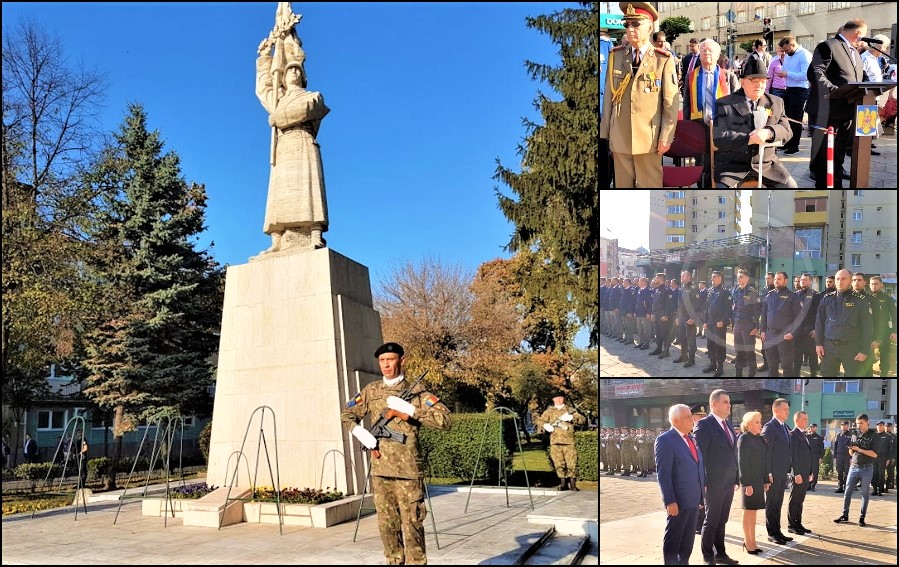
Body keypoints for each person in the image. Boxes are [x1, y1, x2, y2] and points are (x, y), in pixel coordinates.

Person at [341, 342, 452, 565]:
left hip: (409, 470)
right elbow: (347, 414)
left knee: (412, 524)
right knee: (387, 526)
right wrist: (360, 432)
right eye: (382, 361)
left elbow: (445, 421)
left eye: (390, 359)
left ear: (402, 361)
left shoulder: (418, 392)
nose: (386, 365)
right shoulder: (371, 391)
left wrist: (411, 411)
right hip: (381, 470)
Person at [256, 33, 330, 253]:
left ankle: (314, 233)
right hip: (285, 145)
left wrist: (278, 118)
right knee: (280, 195)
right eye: (289, 70)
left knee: (309, 190)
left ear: (303, 75)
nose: (293, 72)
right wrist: (264, 59)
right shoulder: (277, 100)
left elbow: (307, 110)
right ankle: (278, 238)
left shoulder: (314, 96)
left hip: (303, 142)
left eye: (297, 69)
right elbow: (263, 89)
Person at [600, 2, 679, 187]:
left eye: (636, 24)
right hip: (620, 137)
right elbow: (609, 99)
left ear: (650, 26)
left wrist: (666, 137)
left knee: (649, 191)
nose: (630, 29)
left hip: (649, 140)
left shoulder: (663, 60)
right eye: (627, 24)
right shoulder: (616, 56)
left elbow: (670, 104)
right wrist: (607, 133)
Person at [712, 56, 797, 188]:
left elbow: (787, 130)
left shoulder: (776, 102)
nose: (759, 85)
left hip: (767, 166)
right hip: (733, 166)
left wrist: (768, 133)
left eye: (763, 81)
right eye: (753, 80)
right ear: (742, 82)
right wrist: (750, 139)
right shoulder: (724, 104)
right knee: (724, 193)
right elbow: (719, 138)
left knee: (791, 188)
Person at [807, 19, 868, 187]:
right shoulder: (828, 46)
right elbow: (815, 73)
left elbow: (860, 78)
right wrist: (836, 91)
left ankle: (837, 188)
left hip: (846, 111)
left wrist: (873, 87)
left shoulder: (855, 52)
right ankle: (824, 192)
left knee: (838, 156)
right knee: (824, 158)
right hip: (826, 112)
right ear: (858, 33)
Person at [683, 38, 740, 187]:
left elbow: (738, 104)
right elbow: (687, 102)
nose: (707, 53)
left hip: (722, 126)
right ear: (699, 54)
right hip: (699, 124)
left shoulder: (729, 76)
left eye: (711, 51)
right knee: (702, 162)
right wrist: (688, 126)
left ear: (718, 55)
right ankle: (703, 187)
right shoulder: (691, 76)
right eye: (703, 50)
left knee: (720, 160)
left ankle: (719, 185)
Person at [655, 404, 705, 566]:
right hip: (678, 501)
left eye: (691, 416)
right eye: (687, 417)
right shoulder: (665, 440)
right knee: (674, 539)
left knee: (688, 540)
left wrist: (701, 497)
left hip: (693, 499)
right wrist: (670, 501)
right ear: (675, 420)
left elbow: (697, 468)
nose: (692, 420)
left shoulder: (691, 439)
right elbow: (664, 474)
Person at [695, 389, 740, 566]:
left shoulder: (728, 425)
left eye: (729, 402)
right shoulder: (704, 425)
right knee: (711, 520)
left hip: (728, 483)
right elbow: (700, 457)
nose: (729, 405)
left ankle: (720, 553)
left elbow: (732, 453)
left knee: (722, 520)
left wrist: (736, 478)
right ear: (714, 404)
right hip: (713, 483)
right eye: (725, 402)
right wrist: (703, 483)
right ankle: (708, 556)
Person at [815, 269, 874, 377]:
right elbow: (819, 322)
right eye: (837, 279)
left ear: (850, 281)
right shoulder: (826, 299)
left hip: (852, 348)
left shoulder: (860, 300)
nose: (840, 281)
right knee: (827, 375)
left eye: (843, 279)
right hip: (829, 348)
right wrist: (818, 343)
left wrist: (864, 350)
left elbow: (867, 327)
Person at [834, 414, 878, 527]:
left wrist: (860, 449)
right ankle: (845, 515)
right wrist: (852, 449)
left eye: (861, 423)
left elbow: (875, 454)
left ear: (867, 422)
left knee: (864, 493)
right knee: (847, 492)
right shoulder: (855, 434)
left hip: (867, 468)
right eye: (858, 423)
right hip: (854, 467)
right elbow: (851, 453)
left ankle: (862, 517)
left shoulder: (874, 435)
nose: (859, 426)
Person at [536, 394, 586, 491]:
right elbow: (539, 421)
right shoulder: (549, 411)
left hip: (569, 441)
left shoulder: (570, 410)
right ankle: (562, 482)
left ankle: (572, 483)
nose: (558, 399)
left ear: (564, 399)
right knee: (558, 463)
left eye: (560, 397)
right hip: (555, 441)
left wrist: (572, 418)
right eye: (556, 398)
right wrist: (545, 425)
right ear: (553, 399)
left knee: (572, 463)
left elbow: (582, 420)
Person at [762, 398, 793, 545]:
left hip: (782, 473)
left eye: (788, 409)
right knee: (772, 503)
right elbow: (766, 453)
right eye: (785, 409)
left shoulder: (785, 427)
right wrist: (768, 473)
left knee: (778, 503)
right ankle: (771, 533)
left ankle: (778, 531)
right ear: (776, 410)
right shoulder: (770, 427)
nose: (788, 412)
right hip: (773, 474)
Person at [737, 411, 768, 555]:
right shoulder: (744, 438)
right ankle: (747, 541)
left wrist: (766, 480)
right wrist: (746, 484)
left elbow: (764, 461)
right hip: (749, 481)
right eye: (757, 422)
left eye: (760, 422)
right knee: (748, 511)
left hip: (758, 480)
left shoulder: (760, 439)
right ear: (748, 424)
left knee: (754, 511)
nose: (760, 425)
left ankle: (753, 541)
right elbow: (742, 463)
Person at [760, 272, 802, 377]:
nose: (776, 281)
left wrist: (793, 333)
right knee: (772, 364)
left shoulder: (793, 296)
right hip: (770, 335)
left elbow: (799, 317)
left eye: (779, 279)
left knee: (786, 365)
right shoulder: (769, 295)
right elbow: (764, 314)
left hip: (785, 336)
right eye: (775, 279)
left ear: (785, 281)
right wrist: (763, 331)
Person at [777, 36, 812, 156]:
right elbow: (787, 70)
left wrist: (788, 74)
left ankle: (794, 146)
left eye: (786, 50)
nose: (785, 53)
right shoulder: (788, 55)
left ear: (792, 45)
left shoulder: (804, 55)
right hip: (789, 89)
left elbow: (806, 75)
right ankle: (787, 142)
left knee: (796, 119)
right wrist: (783, 73)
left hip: (800, 90)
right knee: (786, 118)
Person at [731, 269, 761, 378]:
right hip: (737, 324)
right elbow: (734, 308)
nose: (738, 278)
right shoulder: (736, 291)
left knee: (749, 351)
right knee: (738, 350)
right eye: (738, 276)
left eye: (741, 277)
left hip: (748, 325)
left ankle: (752, 372)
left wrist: (756, 327)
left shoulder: (752, 292)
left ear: (747, 278)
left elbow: (757, 311)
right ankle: (738, 372)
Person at [787, 411, 813, 536]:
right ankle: (791, 525)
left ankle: (798, 523)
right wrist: (796, 473)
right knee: (794, 499)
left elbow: (808, 455)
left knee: (800, 500)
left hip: (805, 473)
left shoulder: (803, 435)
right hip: (798, 474)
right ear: (796, 420)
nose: (806, 421)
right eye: (804, 419)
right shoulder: (793, 435)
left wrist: (810, 472)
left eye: (807, 419)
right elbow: (793, 456)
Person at [868, 276, 897, 378]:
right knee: (868, 356)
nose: (874, 286)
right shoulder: (866, 298)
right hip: (869, 331)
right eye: (872, 284)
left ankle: (884, 375)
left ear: (881, 285)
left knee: (884, 355)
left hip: (884, 331)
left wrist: (894, 331)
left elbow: (894, 316)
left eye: (876, 284)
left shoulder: (888, 298)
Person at [703, 271, 731, 377]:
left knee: (719, 345)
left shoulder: (725, 292)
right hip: (710, 322)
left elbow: (728, 310)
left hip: (719, 323)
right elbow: (707, 307)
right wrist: (705, 321)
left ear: (720, 278)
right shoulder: (710, 290)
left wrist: (723, 321)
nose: (712, 279)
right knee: (710, 344)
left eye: (714, 277)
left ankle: (720, 367)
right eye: (712, 277)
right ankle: (712, 364)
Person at [793, 274, 822, 377]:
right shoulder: (795, 295)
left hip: (810, 330)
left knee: (812, 355)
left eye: (805, 280)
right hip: (798, 331)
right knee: (797, 355)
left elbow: (819, 314)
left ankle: (813, 374)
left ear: (810, 282)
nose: (802, 281)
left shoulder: (816, 295)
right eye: (801, 280)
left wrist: (816, 330)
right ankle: (796, 374)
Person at [674, 271, 700, 367]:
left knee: (691, 339)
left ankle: (691, 359)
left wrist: (693, 318)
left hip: (689, 318)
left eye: (683, 276)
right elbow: (679, 304)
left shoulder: (693, 288)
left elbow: (697, 305)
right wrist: (677, 317)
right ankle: (683, 355)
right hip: (681, 317)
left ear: (689, 277)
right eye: (681, 276)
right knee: (682, 338)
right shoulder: (682, 288)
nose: (681, 278)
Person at [690, 403, 708, 535]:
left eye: (703, 416)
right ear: (693, 417)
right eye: (699, 416)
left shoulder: (704, 430)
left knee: (703, 498)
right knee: (696, 498)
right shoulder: (690, 432)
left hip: (704, 469)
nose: (702, 418)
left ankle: (701, 523)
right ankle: (696, 524)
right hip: (694, 471)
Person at [650, 273, 676, 359]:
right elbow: (655, 303)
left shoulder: (667, 290)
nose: (654, 279)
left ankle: (666, 351)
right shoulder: (657, 289)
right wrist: (653, 314)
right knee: (658, 333)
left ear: (660, 279)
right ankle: (659, 348)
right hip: (657, 314)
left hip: (663, 315)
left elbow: (669, 304)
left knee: (665, 334)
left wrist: (666, 315)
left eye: (656, 278)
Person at [871, 421, 890, 496]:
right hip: (873, 458)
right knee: (874, 473)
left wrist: (888, 459)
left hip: (883, 458)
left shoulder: (887, 436)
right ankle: (874, 489)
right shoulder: (874, 435)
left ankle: (880, 490)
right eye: (878, 425)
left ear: (883, 426)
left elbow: (890, 448)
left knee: (881, 474)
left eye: (881, 425)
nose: (879, 426)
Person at [833, 420, 853, 492]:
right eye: (842, 425)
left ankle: (846, 487)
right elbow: (835, 446)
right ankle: (840, 487)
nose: (843, 426)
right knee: (839, 472)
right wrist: (835, 457)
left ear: (848, 426)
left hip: (847, 456)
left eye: (845, 425)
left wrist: (851, 457)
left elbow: (852, 447)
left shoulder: (851, 435)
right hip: (839, 455)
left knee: (847, 472)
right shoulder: (838, 435)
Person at [806, 423, 825, 491]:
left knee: (815, 472)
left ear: (816, 428)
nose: (812, 428)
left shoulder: (819, 437)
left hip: (815, 457)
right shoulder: (807, 437)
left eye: (813, 427)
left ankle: (813, 485)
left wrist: (821, 457)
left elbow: (822, 448)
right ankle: (808, 485)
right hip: (808, 457)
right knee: (808, 471)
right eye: (811, 427)